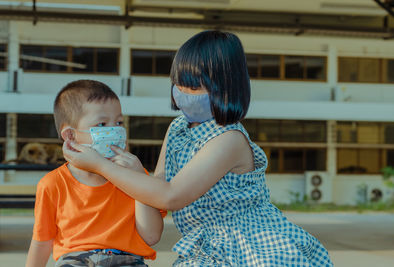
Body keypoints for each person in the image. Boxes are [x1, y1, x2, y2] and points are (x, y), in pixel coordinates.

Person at [63, 31, 333, 266]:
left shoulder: (229, 139)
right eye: (178, 83)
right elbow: (157, 185)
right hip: (205, 246)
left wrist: (101, 166)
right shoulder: (178, 127)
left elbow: (171, 196)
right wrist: (135, 172)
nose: (181, 91)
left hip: (250, 247)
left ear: (225, 87)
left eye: (192, 86)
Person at [26, 80, 165, 267]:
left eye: (119, 122)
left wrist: (139, 178)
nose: (114, 130)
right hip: (76, 261)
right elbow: (42, 242)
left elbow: (151, 236)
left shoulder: (134, 176)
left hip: (127, 260)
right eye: (102, 124)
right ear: (71, 135)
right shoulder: (52, 184)